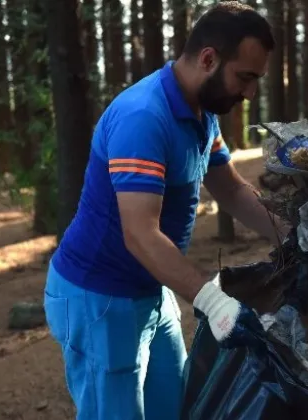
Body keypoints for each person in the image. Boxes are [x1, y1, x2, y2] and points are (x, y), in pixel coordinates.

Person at [42, 3, 288, 419]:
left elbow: (229, 188)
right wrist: (212, 300)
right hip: (100, 297)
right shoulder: (143, 117)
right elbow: (139, 233)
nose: (249, 93)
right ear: (209, 58)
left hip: (152, 289)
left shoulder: (201, 114)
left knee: (175, 408)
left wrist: (293, 233)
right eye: (245, 78)